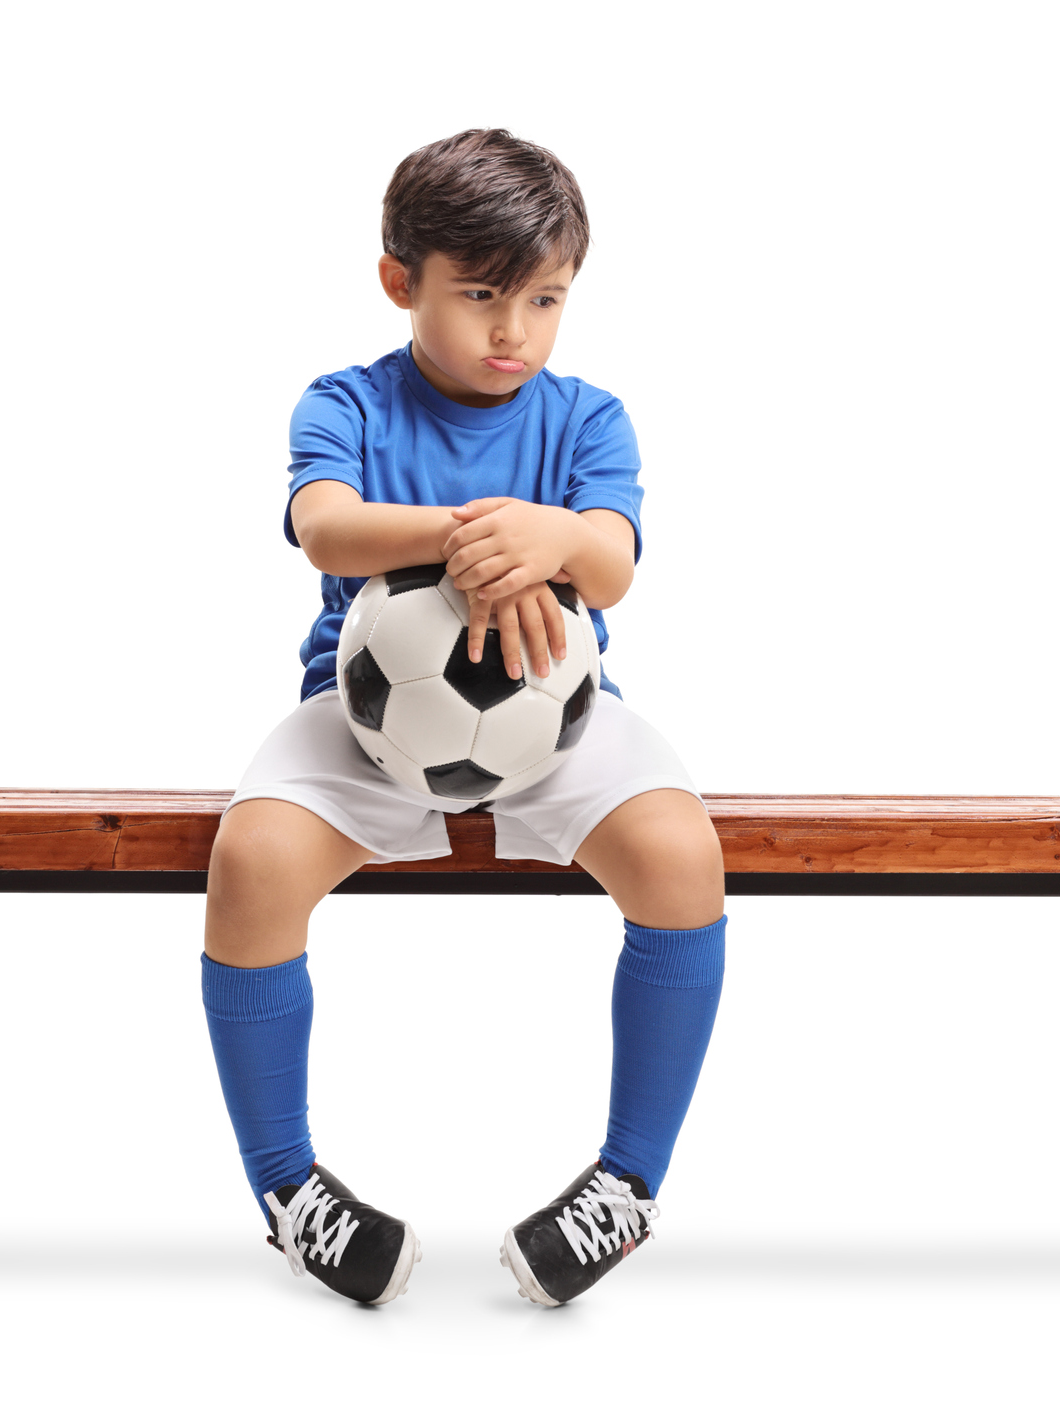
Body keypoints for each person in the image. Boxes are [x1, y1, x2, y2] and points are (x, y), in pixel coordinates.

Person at [201, 129, 726, 1307]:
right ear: (403, 281)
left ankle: (628, 1184)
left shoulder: (589, 419)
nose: (514, 333)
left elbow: (615, 561)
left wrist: (562, 541)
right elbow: (327, 527)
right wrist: (473, 533)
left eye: (544, 299)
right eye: (480, 295)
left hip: (559, 720)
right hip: (363, 717)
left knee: (681, 854)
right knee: (251, 860)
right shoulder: (345, 401)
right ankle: (287, 1187)